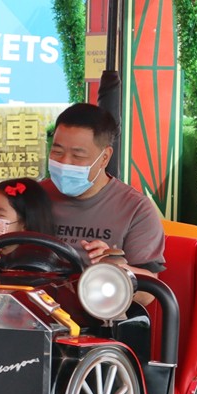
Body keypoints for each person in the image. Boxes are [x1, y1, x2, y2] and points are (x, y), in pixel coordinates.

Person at [41, 103, 165, 285]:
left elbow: (148, 293)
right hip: (32, 298)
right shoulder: (34, 195)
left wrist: (114, 268)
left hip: (97, 300)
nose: (65, 162)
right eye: (57, 152)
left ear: (104, 158)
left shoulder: (136, 209)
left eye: (77, 156)